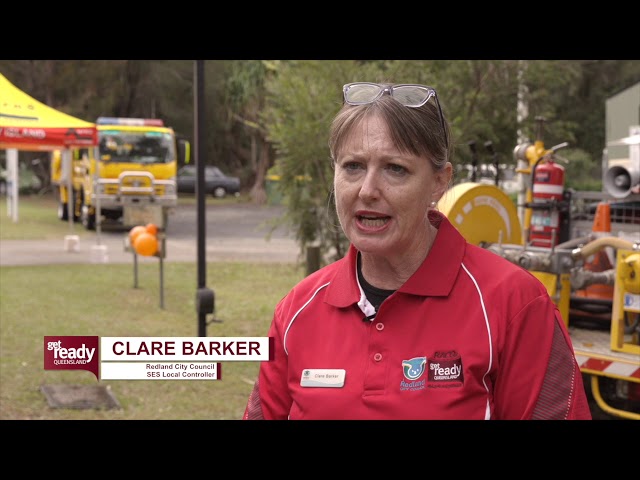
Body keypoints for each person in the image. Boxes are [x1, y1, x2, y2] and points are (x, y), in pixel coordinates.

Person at [243, 82, 592, 420]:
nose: (367, 190)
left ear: (439, 182)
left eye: (395, 169)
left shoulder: (513, 304)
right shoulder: (298, 310)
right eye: (353, 166)